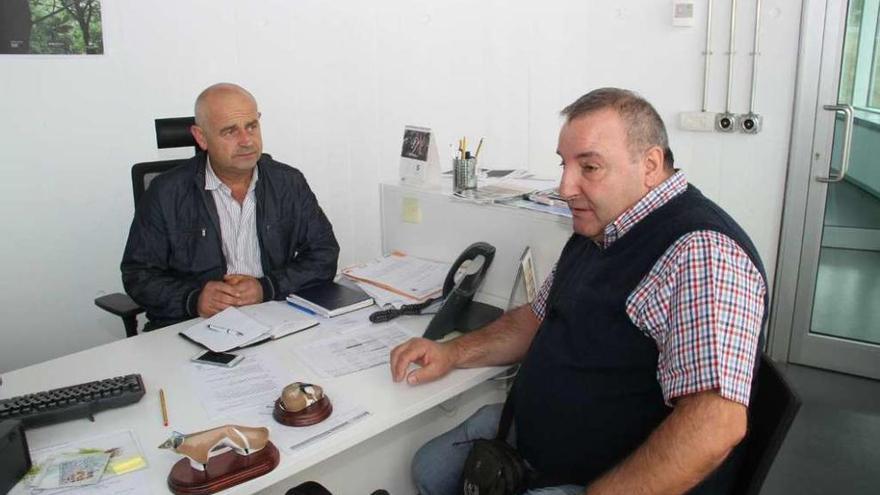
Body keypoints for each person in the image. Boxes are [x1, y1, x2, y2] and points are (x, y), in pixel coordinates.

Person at [390, 88, 767, 495]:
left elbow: (716, 424)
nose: (565, 187)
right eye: (564, 165)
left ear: (651, 165)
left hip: (606, 477)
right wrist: (453, 351)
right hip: (541, 440)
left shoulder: (702, 252)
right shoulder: (601, 226)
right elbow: (535, 319)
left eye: (589, 167)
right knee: (429, 468)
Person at [121, 83, 339, 328]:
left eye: (251, 126)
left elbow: (324, 254)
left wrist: (267, 287)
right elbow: (138, 274)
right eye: (230, 132)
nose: (246, 141)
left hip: (272, 317)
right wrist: (193, 299)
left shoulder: (288, 183)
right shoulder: (165, 193)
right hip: (192, 325)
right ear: (201, 137)